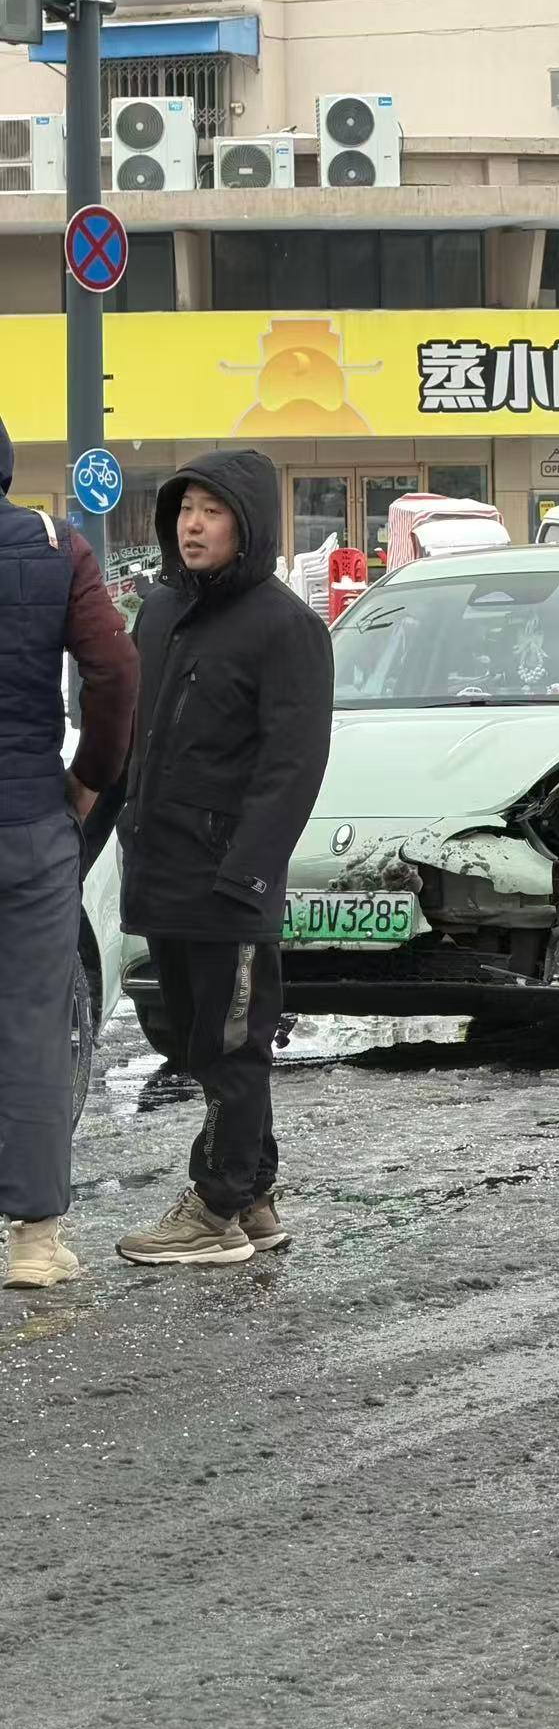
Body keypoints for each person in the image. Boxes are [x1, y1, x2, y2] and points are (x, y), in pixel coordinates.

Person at [115, 448, 333, 1269]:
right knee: (192, 1038)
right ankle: (254, 1195)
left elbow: (293, 764)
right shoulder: (162, 611)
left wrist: (250, 869)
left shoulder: (287, 626)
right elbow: (143, 741)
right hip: (163, 867)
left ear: (249, 524)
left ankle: (214, 1207)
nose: (192, 524)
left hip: (228, 877)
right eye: (183, 510)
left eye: (210, 510)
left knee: (233, 1043)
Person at [0, 419, 138, 1288]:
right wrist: (88, 781)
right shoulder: (56, 546)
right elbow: (115, 672)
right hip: (26, 823)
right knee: (33, 1021)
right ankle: (35, 1243)